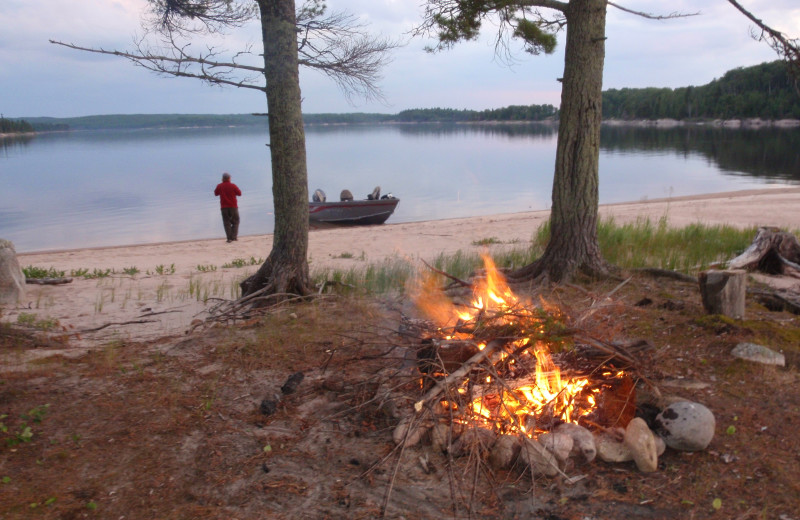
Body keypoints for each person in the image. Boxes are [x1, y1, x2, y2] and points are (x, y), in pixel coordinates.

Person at [214, 172, 242, 243]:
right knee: (236, 221)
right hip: (233, 206)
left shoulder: (219, 186)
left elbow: (216, 193)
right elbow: (239, 193)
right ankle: (234, 237)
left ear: (222, 179)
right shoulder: (233, 186)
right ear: (229, 178)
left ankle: (229, 238)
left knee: (226, 223)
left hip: (224, 207)